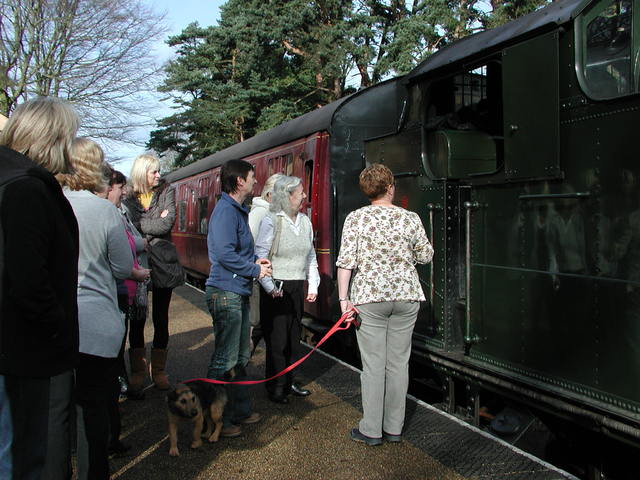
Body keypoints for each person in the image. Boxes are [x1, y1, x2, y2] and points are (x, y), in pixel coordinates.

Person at [0, 97, 80, 480]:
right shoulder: (28, 191)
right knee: (33, 455)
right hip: (31, 352)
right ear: (54, 139)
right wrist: (57, 327)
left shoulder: (12, 183)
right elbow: (27, 278)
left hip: (16, 347)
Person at [336, 163, 433, 446]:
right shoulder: (410, 218)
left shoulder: (356, 219)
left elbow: (346, 263)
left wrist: (344, 300)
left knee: (374, 365)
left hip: (369, 298)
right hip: (406, 296)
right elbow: (426, 255)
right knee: (399, 364)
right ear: (390, 188)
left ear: (368, 191)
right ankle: (394, 428)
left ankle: (371, 430)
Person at [58, 138, 134, 479]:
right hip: (97, 325)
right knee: (93, 409)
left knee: (57, 413)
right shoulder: (104, 210)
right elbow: (122, 267)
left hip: (56, 323)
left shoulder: (50, 202)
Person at [206, 159, 271, 438]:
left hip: (237, 291)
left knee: (240, 355)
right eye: (252, 177)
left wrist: (257, 259)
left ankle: (239, 411)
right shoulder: (226, 212)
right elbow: (224, 254)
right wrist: (255, 269)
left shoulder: (238, 211)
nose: (256, 181)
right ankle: (215, 420)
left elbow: (239, 251)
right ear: (239, 181)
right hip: (226, 292)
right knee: (225, 358)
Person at [255, 175, 320, 404]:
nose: (304, 196)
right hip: (276, 287)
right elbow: (260, 257)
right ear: (287, 195)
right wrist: (269, 287)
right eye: (300, 192)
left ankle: (290, 381)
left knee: (293, 340)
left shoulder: (305, 221)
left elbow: (310, 255)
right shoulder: (272, 220)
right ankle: (276, 387)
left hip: (295, 287)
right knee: (277, 341)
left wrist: (312, 284)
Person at [123, 154, 182, 392]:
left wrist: (141, 226)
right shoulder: (128, 196)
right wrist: (154, 220)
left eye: (158, 171)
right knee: (137, 319)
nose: (159, 175)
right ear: (142, 173)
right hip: (138, 262)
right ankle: (138, 371)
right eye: (154, 171)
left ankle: (158, 370)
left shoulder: (167, 190)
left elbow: (166, 224)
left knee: (161, 318)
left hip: (163, 264)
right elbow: (129, 225)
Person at [106, 169, 150, 455]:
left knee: (119, 347)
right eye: (120, 188)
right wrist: (143, 244)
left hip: (126, 290)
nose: (124, 193)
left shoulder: (118, 211)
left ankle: (127, 384)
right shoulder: (110, 214)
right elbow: (125, 253)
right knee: (112, 353)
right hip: (118, 290)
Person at [248, 173, 282, 354]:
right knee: (255, 326)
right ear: (270, 195)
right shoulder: (261, 213)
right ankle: (237, 370)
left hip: (263, 279)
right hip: (258, 280)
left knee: (260, 325)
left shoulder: (266, 213)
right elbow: (252, 249)